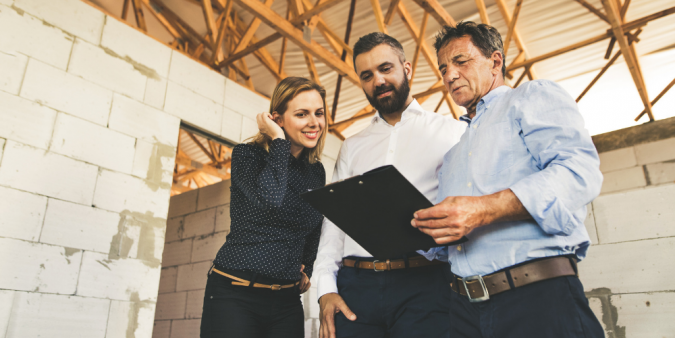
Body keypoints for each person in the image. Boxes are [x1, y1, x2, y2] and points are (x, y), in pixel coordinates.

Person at [411, 22, 605, 337]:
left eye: (461, 61)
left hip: (535, 298)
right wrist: (423, 230)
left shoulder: (529, 97)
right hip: (463, 310)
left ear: (496, 62)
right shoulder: (453, 156)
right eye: (444, 68)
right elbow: (456, 233)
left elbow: (578, 172)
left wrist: (484, 209)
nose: (449, 76)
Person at [314, 32, 466, 338]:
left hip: (425, 286)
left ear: (407, 69)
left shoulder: (452, 133)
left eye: (386, 69)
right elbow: (334, 226)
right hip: (356, 288)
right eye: (367, 75)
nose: (378, 81)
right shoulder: (352, 146)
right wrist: (325, 289)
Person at [200, 77, 328, 338]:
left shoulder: (315, 172)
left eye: (319, 113)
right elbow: (271, 197)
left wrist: (308, 266)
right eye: (302, 114)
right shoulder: (247, 156)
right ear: (277, 119)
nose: (314, 122)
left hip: (286, 301)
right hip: (234, 294)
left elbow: (314, 225)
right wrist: (279, 140)